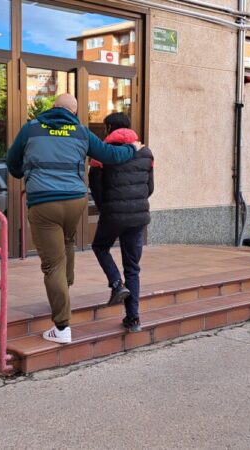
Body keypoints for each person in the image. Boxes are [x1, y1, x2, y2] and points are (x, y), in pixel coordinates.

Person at [6, 94, 139, 344]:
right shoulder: (80, 131)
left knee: (52, 264)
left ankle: (62, 327)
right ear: (74, 113)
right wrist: (132, 147)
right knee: (66, 242)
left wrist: (24, 170)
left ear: (53, 108)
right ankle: (64, 287)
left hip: (44, 202)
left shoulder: (31, 128)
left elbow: (12, 164)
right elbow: (110, 154)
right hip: (75, 201)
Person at [89, 113, 154, 332]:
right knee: (133, 268)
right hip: (138, 217)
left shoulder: (102, 154)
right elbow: (150, 188)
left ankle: (116, 284)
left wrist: (106, 208)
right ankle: (133, 319)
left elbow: (96, 188)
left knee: (100, 247)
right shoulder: (146, 152)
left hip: (113, 215)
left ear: (109, 127)